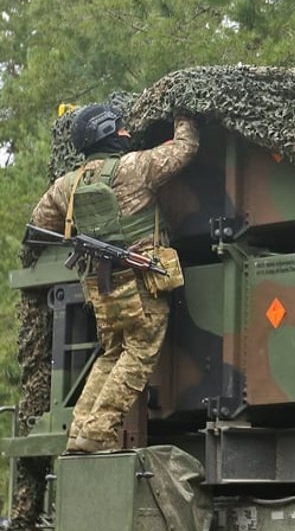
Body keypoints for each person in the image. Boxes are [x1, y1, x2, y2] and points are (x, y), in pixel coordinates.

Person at [25, 104, 199, 454]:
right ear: (107, 133)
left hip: (101, 287)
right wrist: (185, 113)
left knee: (111, 354)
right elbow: (185, 148)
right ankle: (99, 430)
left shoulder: (66, 185)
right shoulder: (134, 167)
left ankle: (79, 432)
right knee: (137, 353)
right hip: (141, 283)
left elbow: (37, 226)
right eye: (119, 129)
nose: (125, 133)